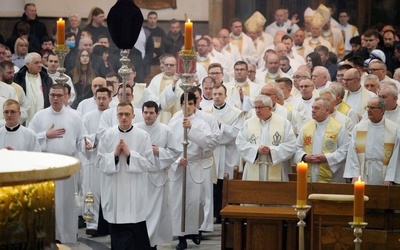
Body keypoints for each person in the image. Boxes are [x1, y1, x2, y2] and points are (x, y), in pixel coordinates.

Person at [28, 84, 92, 243]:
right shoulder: (39, 116)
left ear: (65, 97)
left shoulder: (75, 117)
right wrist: (46, 135)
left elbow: (82, 139)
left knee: (66, 204)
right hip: (46, 167)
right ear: (48, 96)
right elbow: (29, 138)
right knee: (47, 204)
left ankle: (67, 237)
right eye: (52, 95)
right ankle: (48, 237)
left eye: (59, 95)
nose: (55, 99)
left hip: (67, 168)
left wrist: (87, 144)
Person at [96, 101, 155, 249]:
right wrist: (114, 155)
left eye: (127, 114)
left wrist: (130, 155)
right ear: (116, 115)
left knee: (137, 235)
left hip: (135, 194)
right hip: (115, 195)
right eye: (120, 114)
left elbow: (149, 163)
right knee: (119, 238)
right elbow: (99, 163)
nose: (124, 117)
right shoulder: (108, 136)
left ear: (133, 115)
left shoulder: (143, 136)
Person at [168, 92, 213, 250]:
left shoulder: (201, 123)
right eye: (185, 103)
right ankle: (181, 236)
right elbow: (168, 147)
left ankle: (194, 231)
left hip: (194, 165)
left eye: (191, 104)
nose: (188, 107)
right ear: (180, 105)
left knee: (195, 202)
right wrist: (176, 160)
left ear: (195, 105)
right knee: (178, 203)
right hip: (179, 167)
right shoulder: (173, 123)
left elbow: (207, 142)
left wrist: (191, 129)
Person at [136, 101, 181, 249]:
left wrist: (159, 151)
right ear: (142, 113)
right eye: (145, 112)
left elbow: (176, 152)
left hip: (157, 178)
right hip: (139, 177)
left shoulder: (165, 130)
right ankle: (141, 242)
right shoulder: (135, 129)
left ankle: (151, 243)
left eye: (151, 113)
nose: (148, 116)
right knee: (141, 212)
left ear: (157, 114)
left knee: (155, 213)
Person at [203, 84, 243, 223]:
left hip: (228, 153)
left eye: (220, 94)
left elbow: (237, 133)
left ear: (226, 96)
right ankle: (213, 214)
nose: (217, 97)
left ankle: (225, 214)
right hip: (212, 152)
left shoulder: (235, 113)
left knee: (225, 183)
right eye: (215, 94)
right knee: (213, 185)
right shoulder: (206, 112)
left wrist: (221, 127)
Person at [236, 94, 296, 181]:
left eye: (260, 107)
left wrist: (271, 151)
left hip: (276, 168)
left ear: (270, 108)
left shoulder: (284, 124)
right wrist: (256, 150)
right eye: (255, 108)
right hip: (253, 166)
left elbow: (290, 145)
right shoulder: (248, 123)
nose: (257, 110)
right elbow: (240, 143)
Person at [344, 97, 400, 185]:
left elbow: (396, 155)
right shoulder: (359, 128)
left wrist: (389, 177)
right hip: (363, 171)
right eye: (367, 107)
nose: (368, 110)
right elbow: (352, 153)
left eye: (372, 108)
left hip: (383, 172)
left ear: (382, 110)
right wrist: (355, 175)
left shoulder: (394, 129)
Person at [294, 97, 349, 183]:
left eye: (317, 108)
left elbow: (345, 150)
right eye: (312, 107)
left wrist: (327, 158)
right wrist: (304, 156)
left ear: (327, 110)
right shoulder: (306, 128)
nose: (313, 110)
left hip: (332, 176)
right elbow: (297, 147)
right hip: (309, 173)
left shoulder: (339, 128)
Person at [82, 87, 113, 237]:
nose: (101, 101)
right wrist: (88, 143)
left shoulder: (114, 114)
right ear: (94, 98)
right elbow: (83, 135)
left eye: (104, 98)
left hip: (108, 159)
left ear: (110, 99)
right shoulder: (88, 116)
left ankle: (108, 223)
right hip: (93, 158)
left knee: (107, 193)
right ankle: (92, 224)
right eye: (98, 98)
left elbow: (110, 133)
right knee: (92, 193)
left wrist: (94, 139)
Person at [14, 52, 53, 125]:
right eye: (36, 63)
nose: (40, 65)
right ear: (28, 64)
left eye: (40, 62)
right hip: (25, 116)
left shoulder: (47, 79)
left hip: (43, 115)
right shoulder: (18, 78)